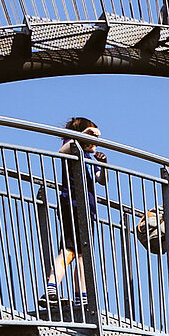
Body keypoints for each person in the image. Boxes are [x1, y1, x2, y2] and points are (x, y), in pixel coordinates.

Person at [45, 118, 106, 310]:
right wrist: (81, 136)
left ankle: (79, 296)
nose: (96, 139)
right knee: (71, 251)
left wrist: (103, 165)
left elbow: (100, 180)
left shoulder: (89, 158)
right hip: (73, 204)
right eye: (92, 135)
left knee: (80, 253)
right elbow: (62, 150)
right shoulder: (71, 147)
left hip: (87, 209)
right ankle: (52, 287)